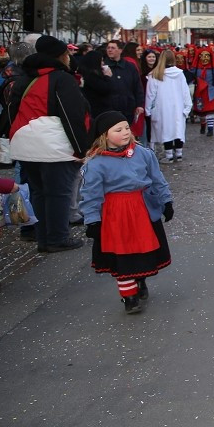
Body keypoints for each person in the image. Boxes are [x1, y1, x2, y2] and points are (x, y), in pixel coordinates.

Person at [80, 110, 174, 314]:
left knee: (141, 253)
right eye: (118, 129)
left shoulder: (143, 153)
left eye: (127, 128)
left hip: (142, 208)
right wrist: (93, 220)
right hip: (116, 214)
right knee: (123, 256)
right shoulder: (96, 164)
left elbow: (157, 179)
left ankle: (140, 280)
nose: (125, 132)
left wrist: (166, 201)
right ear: (104, 135)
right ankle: (129, 297)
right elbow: (90, 194)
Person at [8, 35, 90, 253]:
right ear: (61, 55)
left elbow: (12, 110)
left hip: (25, 145)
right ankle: (57, 237)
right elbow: (72, 116)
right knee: (59, 193)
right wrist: (81, 149)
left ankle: (44, 237)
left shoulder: (25, 77)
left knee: (39, 192)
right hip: (54, 146)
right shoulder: (61, 79)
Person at [145, 49, 193, 162]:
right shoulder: (179, 74)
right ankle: (179, 153)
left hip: (162, 108)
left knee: (166, 129)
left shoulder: (155, 75)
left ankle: (169, 155)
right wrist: (187, 107)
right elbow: (185, 92)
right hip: (178, 107)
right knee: (177, 129)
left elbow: (150, 95)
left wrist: (148, 110)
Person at [103, 39, 144, 125]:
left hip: (127, 107)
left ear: (120, 50)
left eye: (113, 48)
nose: (110, 50)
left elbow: (137, 86)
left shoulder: (130, 66)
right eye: (108, 48)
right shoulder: (103, 67)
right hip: (109, 108)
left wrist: (139, 104)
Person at [191, 46, 214, 137]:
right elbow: (190, 78)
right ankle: (203, 124)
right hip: (199, 93)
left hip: (211, 92)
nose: (205, 58)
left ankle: (210, 129)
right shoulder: (195, 68)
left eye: (207, 56)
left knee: (210, 112)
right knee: (201, 113)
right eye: (202, 56)